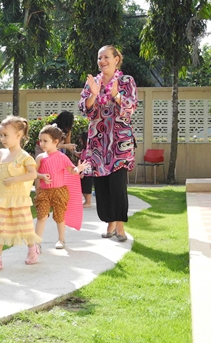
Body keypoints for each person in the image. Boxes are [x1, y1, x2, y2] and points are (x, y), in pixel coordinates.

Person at [79, 45, 137, 242]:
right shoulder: (92, 82)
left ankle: (120, 225)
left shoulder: (126, 81)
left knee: (117, 184)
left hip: (120, 143)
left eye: (106, 57)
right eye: (99, 58)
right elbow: (85, 109)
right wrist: (94, 94)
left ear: (116, 59)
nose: (102, 61)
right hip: (98, 143)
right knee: (102, 185)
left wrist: (115, 94)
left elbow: (131, 106)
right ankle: (109, 221)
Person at [0, 116, 41, 271]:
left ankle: (33, 250)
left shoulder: (24, 156)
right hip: (1, 199)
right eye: (1, 135)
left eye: (6, 135)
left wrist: (15, 179)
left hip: (18, 199)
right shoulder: (1, 153)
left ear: (18, 135)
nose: (2, 138)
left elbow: (33, 174)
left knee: (25, 227)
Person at [34, 125, 88, 255]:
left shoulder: (62, 157)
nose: (42, 144)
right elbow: (34, 173)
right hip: (44, 192)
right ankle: (36, 243)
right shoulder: (40, 158)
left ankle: (61, 239)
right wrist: (41, 177)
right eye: (40, 140)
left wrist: (78, 169)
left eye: (45, 141)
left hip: (59, 191)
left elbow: (72, 171)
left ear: (56, 142)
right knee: (41, 216)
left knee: (59, 216)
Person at [74, 131, 93, 208]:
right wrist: (74, 151)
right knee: (83, 186)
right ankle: (86, 201)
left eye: (81, 140)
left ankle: (88, 202)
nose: (80, 141)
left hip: (87, 172)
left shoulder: (88, 150)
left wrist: (83, 173)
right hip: (84, 170)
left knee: (87, 187)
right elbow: (81, 156)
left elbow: (88, 162)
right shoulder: (84, 149)